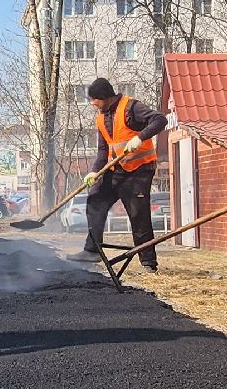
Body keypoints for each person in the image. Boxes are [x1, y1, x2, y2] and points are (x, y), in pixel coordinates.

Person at [63, 77, 166, 271]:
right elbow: (103, 150)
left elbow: (160, 119)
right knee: (95, 200)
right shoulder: (101, 118)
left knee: (139, 215)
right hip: (115, 171)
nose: (93, 104)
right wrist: (94, 171)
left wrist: (140, 137)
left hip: (139, 171)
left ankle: (148, 263)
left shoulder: (131, 107)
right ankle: (92, 251)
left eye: (95, 100)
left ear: (105, 97)